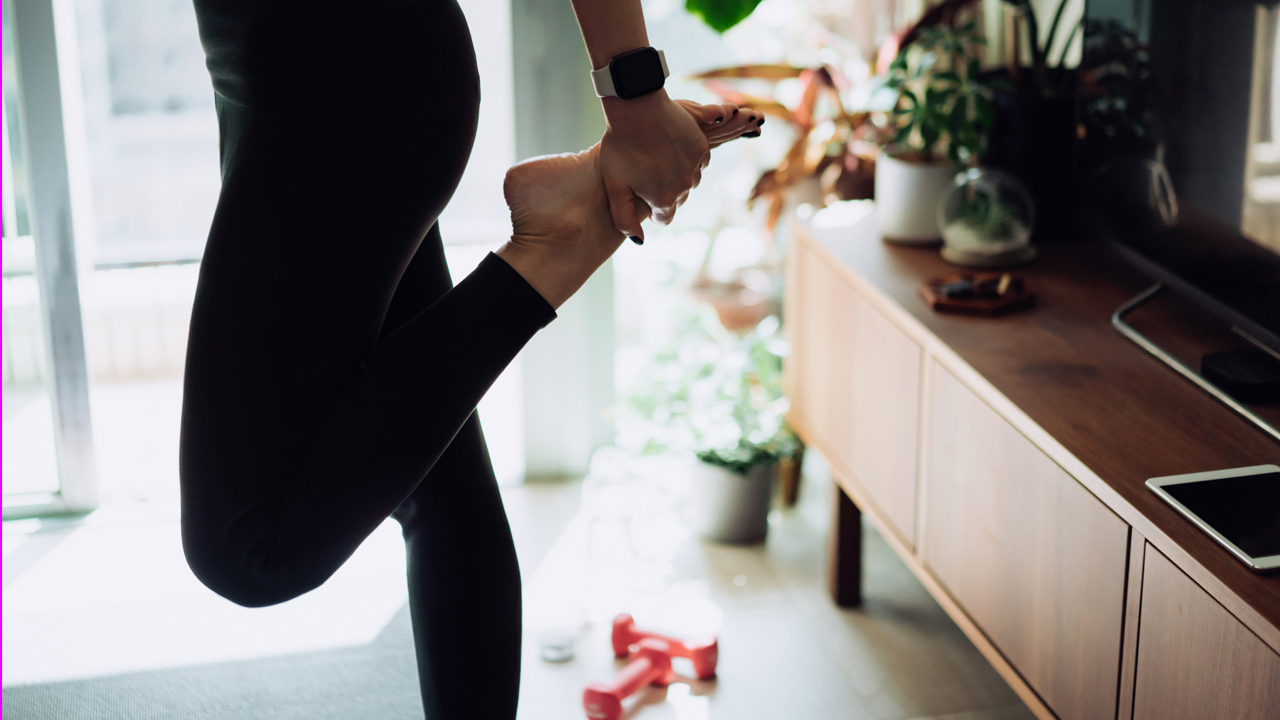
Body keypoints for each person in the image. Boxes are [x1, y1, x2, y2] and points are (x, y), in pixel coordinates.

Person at [180, 0, 763, 717]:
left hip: (338, 83)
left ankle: (552, 251)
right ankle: (549, 250)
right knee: (438, 488)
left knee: (247, 549)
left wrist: (636, 98)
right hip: (296, 73)